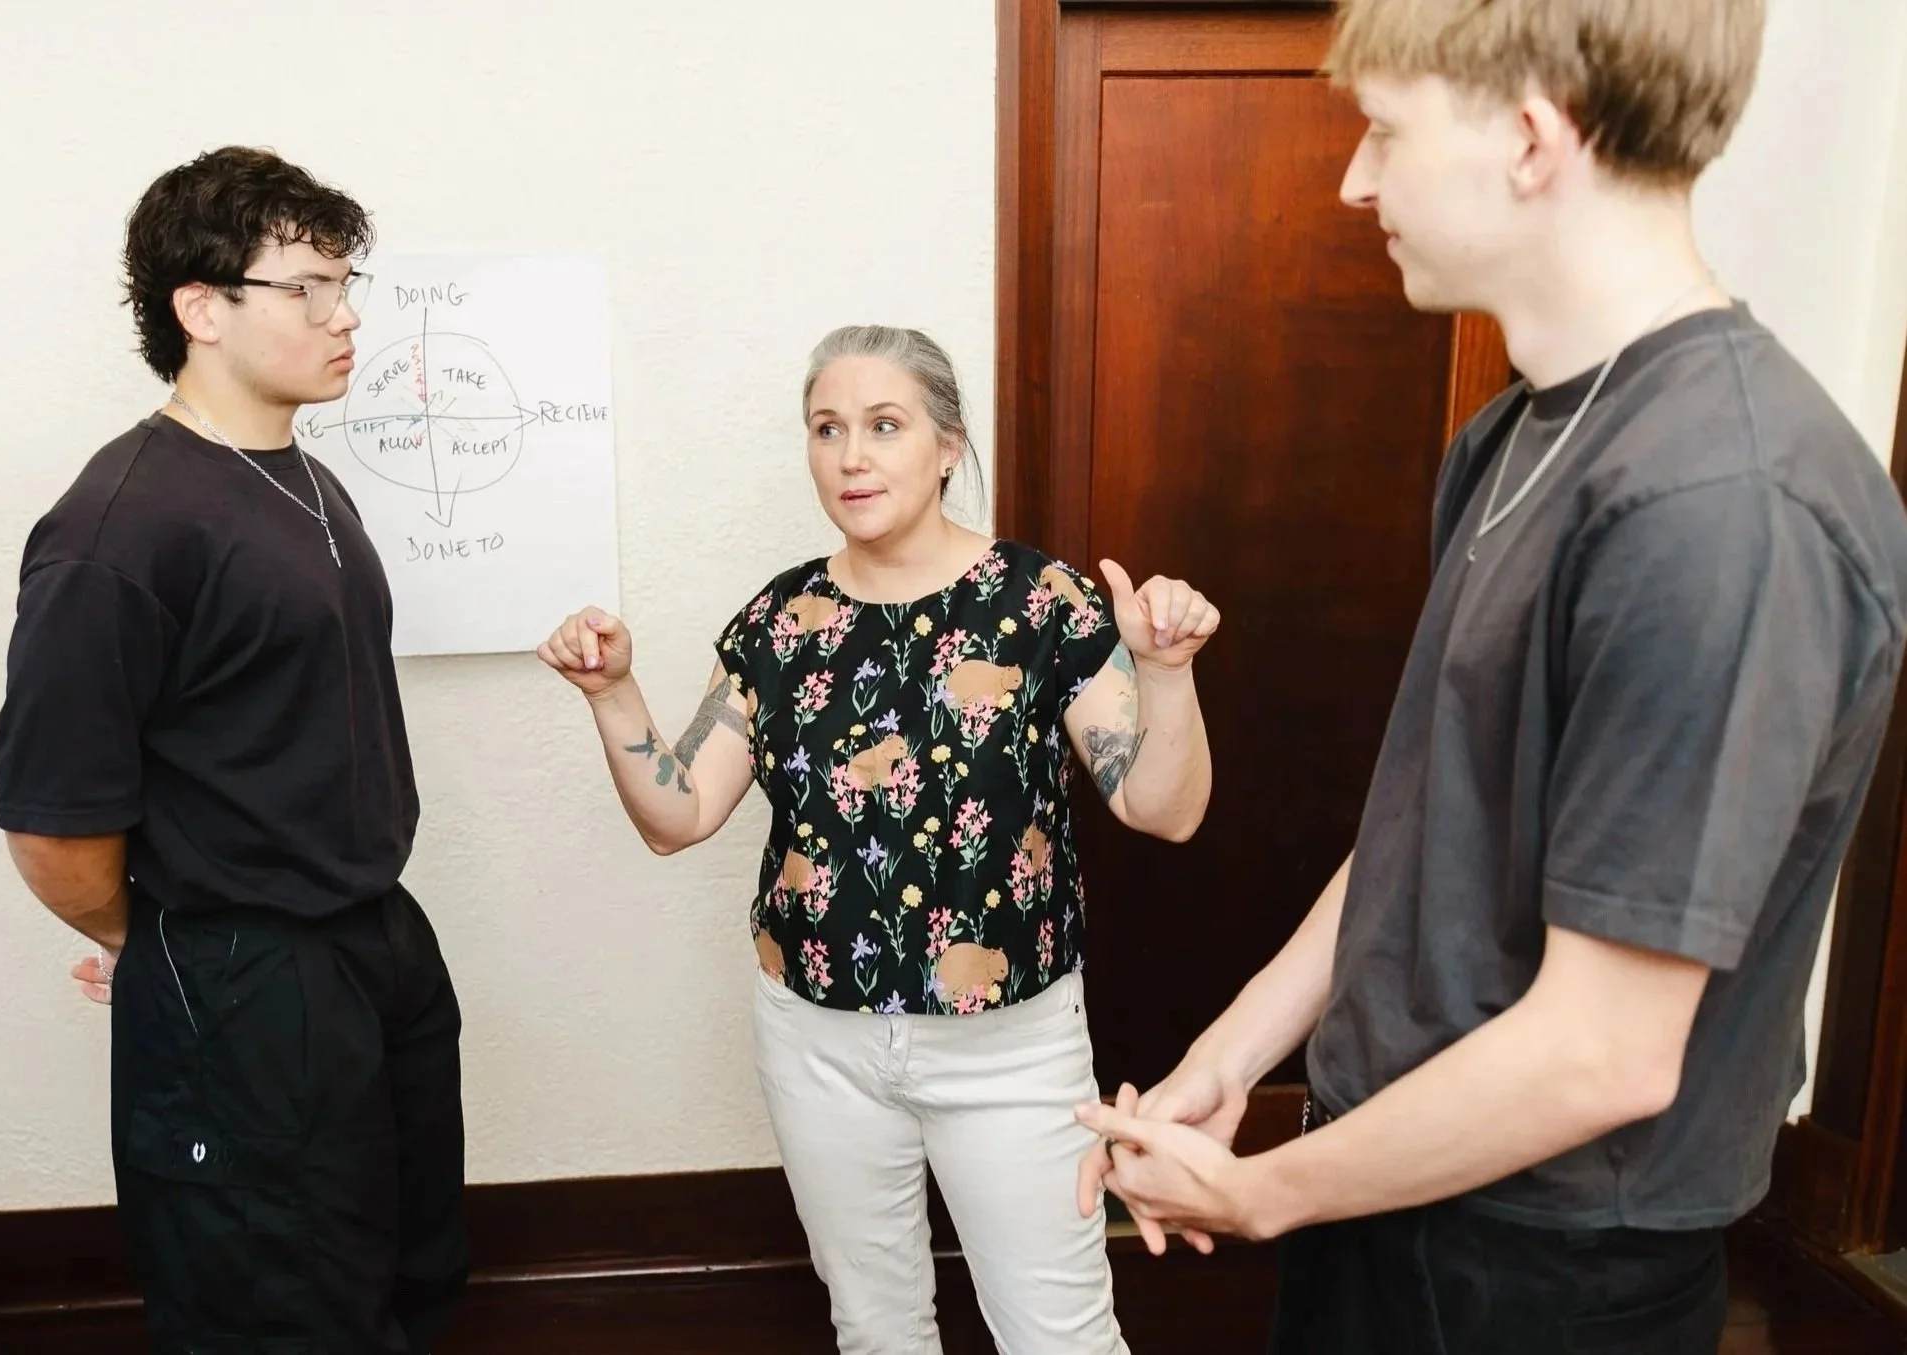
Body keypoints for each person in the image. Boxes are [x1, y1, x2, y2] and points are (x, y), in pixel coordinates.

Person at [1075, 1, 1907, 1351]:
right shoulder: (1511, 436)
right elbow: (1427, 824)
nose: (1354, 182)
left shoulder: (1720, 504)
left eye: (1382, 132)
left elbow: (1602, 1050)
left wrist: (1267, 1190)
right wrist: (1227, 1057)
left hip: (1537, 1267)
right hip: (1388, 1185)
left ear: (1528, 140)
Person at [539, 324, 1219, 1354]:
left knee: (1061, 1336)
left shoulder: (1043, 603)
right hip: (817, 1039)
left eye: (884, 425)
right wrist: (610, 692)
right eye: (827, 428)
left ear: (947, 446)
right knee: (875, 1328)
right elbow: (677, 817)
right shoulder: (779, 623)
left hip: (1008, 1044)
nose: (850, 455)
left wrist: (1165, 673)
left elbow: (1165, 808)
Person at [0, 147, 467, 1355]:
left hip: (373, 942)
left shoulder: (305, 479)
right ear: (201, 309)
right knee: (277, 1311)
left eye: (344, 283)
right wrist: (167, 945)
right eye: (306, 287)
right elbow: (52, 825)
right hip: (246, 974)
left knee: (402, 1271)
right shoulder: (119, 527)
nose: (343, 314)